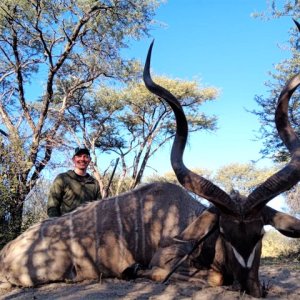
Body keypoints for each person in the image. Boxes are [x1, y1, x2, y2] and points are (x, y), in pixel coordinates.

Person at [47, 147, 101, 217]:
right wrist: (57, 224)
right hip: (66, 225)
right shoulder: (62, 178)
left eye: (85, 156)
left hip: (89, 225)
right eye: (79, 156)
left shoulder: (94, 183)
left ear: (89, 160)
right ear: (73, 159)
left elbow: (98, 209)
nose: (82, 159)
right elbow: (52, 206)